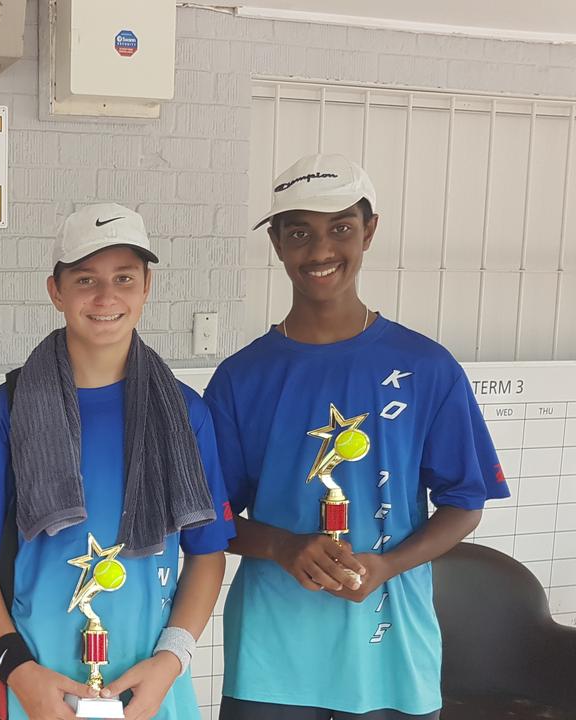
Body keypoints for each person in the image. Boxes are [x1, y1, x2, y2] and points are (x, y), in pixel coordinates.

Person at [206, 154, 509, 720]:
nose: (320, 251)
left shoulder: (428, 366)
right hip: (273, 656)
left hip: (390, 651)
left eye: (340, 228)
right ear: (276, 243)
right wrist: (282, 546)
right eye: (299, 233)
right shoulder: (241, 378)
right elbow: (210, 517)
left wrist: (389, 566)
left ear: (369, 232)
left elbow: (464, 502)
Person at [0, 204, 234, 720]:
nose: (106, 297)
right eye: (85, 279)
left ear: (147, 287)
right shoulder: (10, 408)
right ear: (55, 290)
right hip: (38, 688)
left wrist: (170, 662)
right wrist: (21, 672)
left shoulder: (186, 413)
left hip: (151, 690)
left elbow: (208, 552)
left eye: (124, 278)